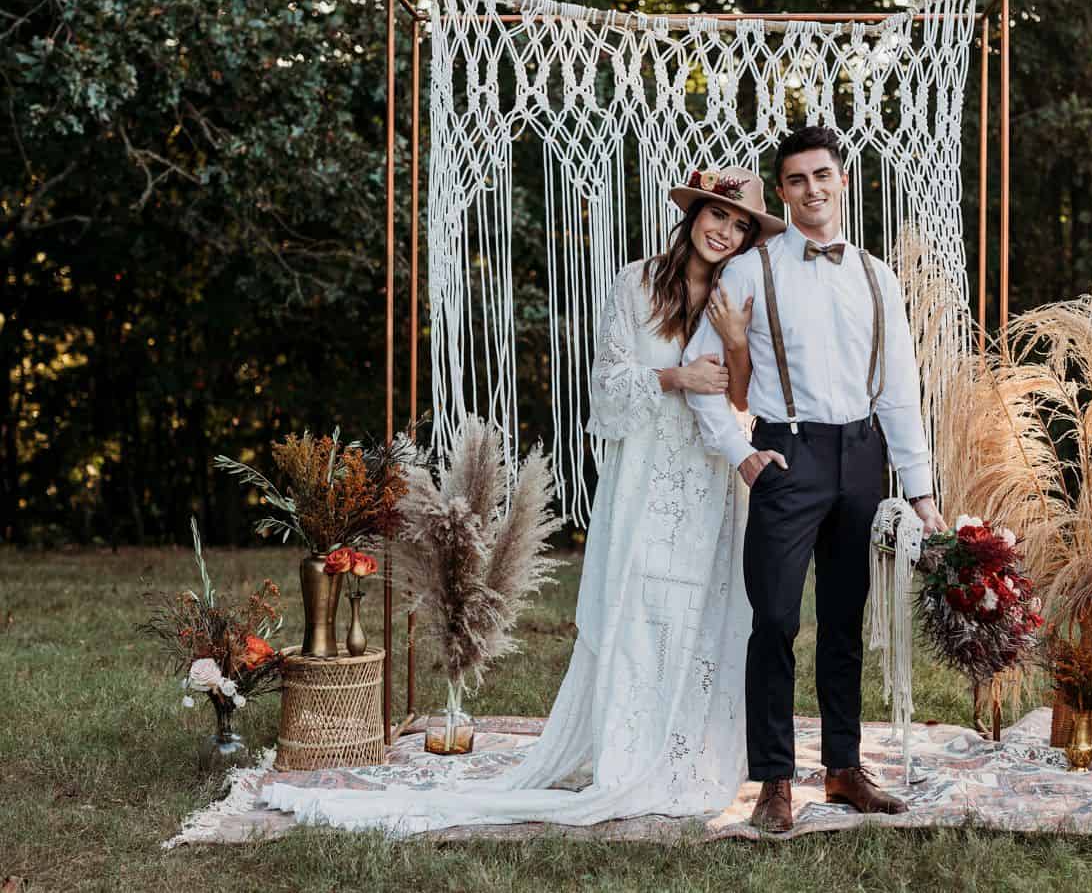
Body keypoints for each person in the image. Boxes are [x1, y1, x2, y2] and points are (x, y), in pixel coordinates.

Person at [260, 168, 784, 833]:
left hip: (711, 477)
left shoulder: (742, 296)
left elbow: (749, 402)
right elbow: (607, 386)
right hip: (647, 474)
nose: (725, 231)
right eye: (718, 215)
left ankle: (682, 753)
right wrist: (673, 375)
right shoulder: (637, 283)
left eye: (740, 226)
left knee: (697, 615)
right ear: (693, 213)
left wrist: (735, 341)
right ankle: (625, 751)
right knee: (639, 609)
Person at [683, 126, 945, 834]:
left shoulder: (876, 275)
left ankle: (842, 767)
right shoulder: (748, 271)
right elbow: (706, 375)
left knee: (843, 620)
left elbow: (898, 387)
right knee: (773, 619)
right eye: (796, 179)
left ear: (843, 181)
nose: (811, 189)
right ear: (784, 191)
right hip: (785, 456)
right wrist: (739, 452)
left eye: (822, 175)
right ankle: (772, 778)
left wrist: (919, 490)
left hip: (861, 458)